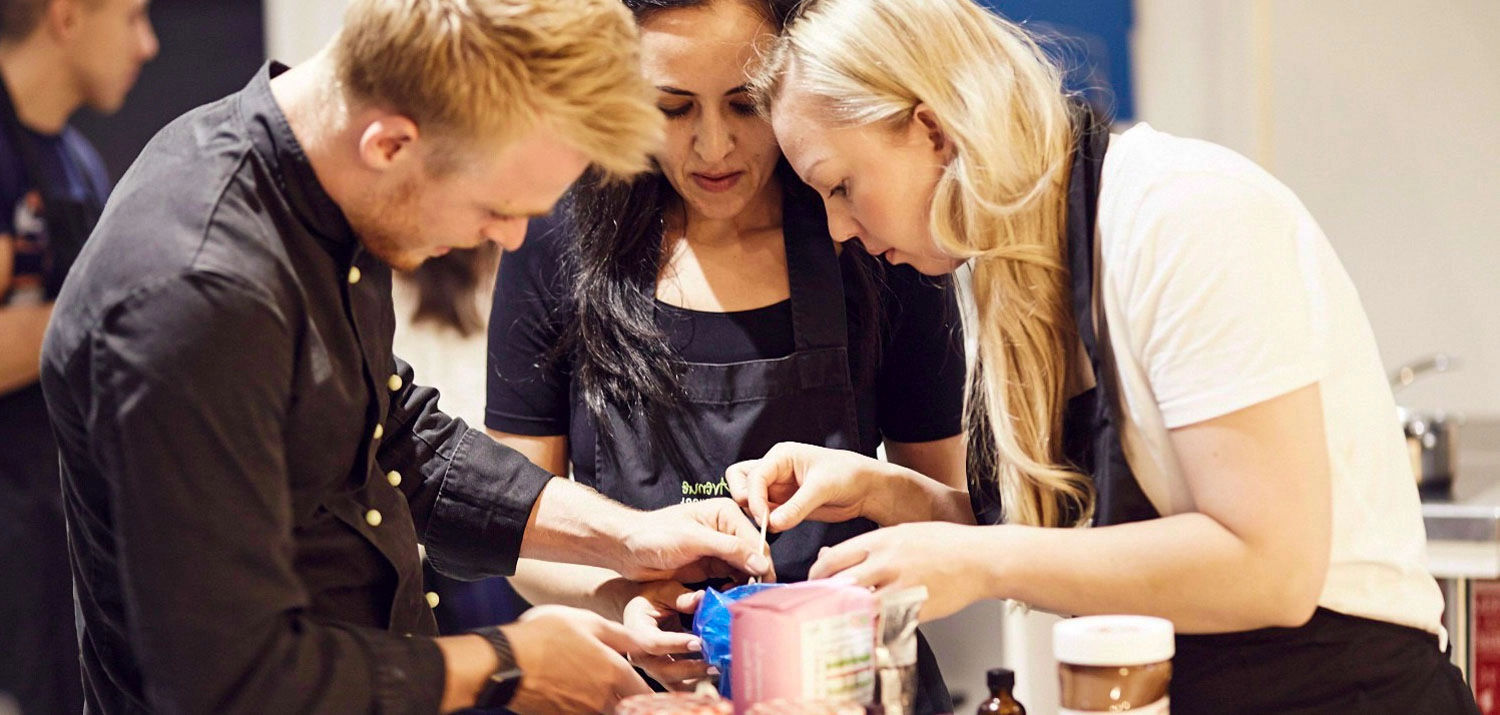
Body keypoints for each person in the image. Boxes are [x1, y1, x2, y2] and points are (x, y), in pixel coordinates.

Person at [729, 0, 1479, 711]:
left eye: (841, 186)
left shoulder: (1181, 215)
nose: (835, 229)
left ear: (933, 130)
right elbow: (1077, 538)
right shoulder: (1014, 269)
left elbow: (1268, 568)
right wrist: (889, 494)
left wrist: (978, 562)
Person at [38, 0, 772, 712]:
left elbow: (388, 432)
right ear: (390, 143)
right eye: (496, 206)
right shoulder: (195, 292)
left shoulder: (338, 189)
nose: (511, 238)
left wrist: (628, 536)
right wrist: (510, 664)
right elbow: (230, 676)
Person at [483, 0, 966, 705]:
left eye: (747, 104)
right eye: (672, 108)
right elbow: (522, 535)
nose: (714, 147)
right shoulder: (558, 238)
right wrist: (622, 599)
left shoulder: (870, 231)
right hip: (639, 687)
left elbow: (952, 519)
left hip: (847, 684)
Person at [0, 0, 155, 712]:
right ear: (66, 17)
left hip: (55, 526)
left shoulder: (79, 165)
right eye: (132, 17)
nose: (147, 43)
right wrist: (117, 306)